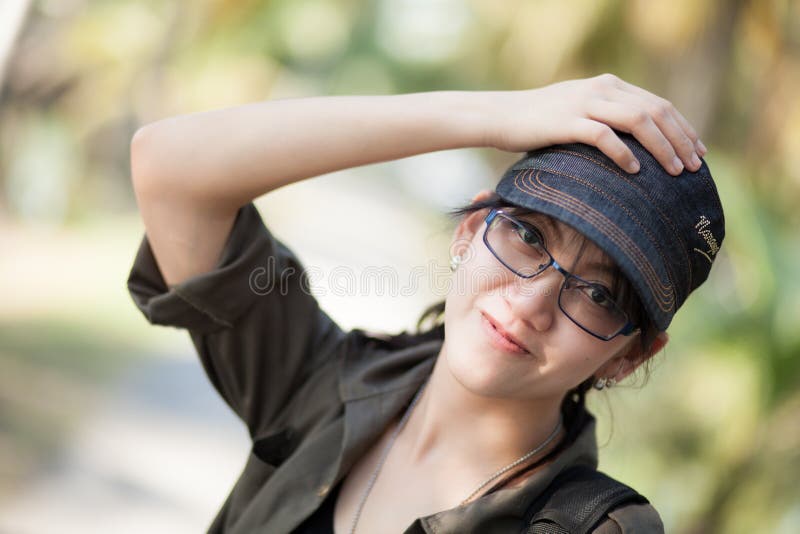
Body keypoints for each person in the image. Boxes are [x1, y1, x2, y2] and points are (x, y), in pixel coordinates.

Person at [126, 73, 724, 533]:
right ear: (470, 232)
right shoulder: (326, 387)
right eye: (530, 235)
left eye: (598, 294)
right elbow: (168, 168)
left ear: (630, 357)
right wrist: (492, 113)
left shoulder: (595, 528)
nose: (532, 301)